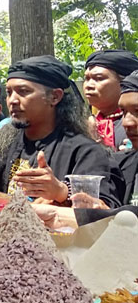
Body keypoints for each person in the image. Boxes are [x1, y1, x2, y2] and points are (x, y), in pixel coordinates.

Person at [0, 55, 124, 208]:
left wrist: (62, 192)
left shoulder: (85, 151)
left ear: (54, 97)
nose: (12, 101)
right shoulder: (5, 142)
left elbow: (105, 209)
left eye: (23, 92)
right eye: (9, 92)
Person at [35, 70, 138, 228]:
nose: (127, 122)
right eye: (123, 112)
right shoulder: (123, 165)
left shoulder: (85, 149)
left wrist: (102, 217)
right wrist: (65, 198)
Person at [84, 49, 138, 150]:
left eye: (99, 78)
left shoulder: (131, 126)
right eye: (86, 79)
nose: (89, 85)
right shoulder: (84, 125)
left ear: (124, 82)